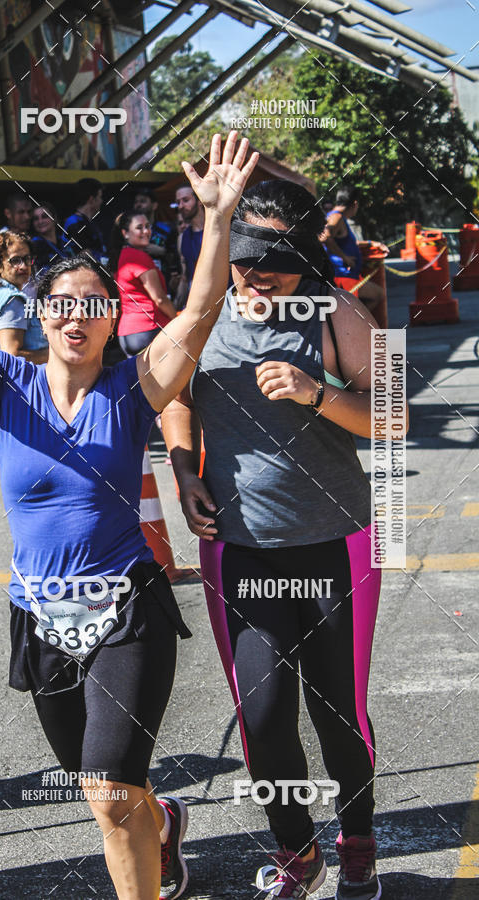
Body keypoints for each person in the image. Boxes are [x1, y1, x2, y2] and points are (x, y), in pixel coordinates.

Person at [0, 131, 259, 900]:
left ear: (113, 315)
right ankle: (164, 826)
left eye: (93, 303)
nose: (76, 316)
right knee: (102, 792)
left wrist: (216, 219)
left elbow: (201, 309)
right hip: (38, 616)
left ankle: (144, 842)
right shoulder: (0, 380)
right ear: (39, 312)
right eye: (61, 304)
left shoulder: (134, 386)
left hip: (127, 609)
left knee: (109, 794)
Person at [163, 177, 408, 900]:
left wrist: (319, 393)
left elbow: (391, 417)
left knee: (338, 710)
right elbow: (172, 399)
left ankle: (357, 843)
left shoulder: (337, 313)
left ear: (306, 255)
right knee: (264, 714)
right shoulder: (203, 317)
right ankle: (298, 853)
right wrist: (183, 471)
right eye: (242, 257)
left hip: (338, 543)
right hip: (239, 547)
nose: (254, 274)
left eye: (272, 260)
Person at [110, 210, 177, 357]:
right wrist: (177, 321)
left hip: (127, 333)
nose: (146, 231)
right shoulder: (138, 257)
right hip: (149, 329)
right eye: (139, 227)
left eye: (148, 226)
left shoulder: (122, 256)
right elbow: (160, 298)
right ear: (125, 233)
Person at [0, 230, 48, 362]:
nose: (23, 266)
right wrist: (55, 356)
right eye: (15, 261)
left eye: (27, 259)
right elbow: (12, 356)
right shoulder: (13, 300)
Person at [323, 185, 384, 315]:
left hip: (347, 275)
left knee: (369, 299)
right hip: (343, 275)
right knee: (377, 295)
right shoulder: (337, 217)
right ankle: (353, 327)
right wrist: (345, 258)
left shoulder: (336, 217)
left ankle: (353, 325)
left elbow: (346, 242)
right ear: (355, 204)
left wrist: (370, 243)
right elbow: (326, 237)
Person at [0, 192, 34, 276]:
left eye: (29, 212)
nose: (27, 217)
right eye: (21, 212)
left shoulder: (30, 237)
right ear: (8, 213)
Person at [133, 188, 180, 285]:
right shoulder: (129, 232)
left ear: (154, 205)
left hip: (162, 283)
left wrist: (162, 252)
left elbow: (177, 257)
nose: (138, 205)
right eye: (136, 202)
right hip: (137, 282)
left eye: (143, 201)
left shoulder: (166, 230)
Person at [63, 177, 107, 261]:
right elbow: (83, 256)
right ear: (91, 199)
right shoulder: (74, 222)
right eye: (100, 197)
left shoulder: (89, 222)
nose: (101, 201)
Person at [175, 184, 205, 306]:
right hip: (198, 304)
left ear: (199, 201)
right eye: (178, 202)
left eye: (186, 200)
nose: (181, 206)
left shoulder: (217, 231)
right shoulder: (182, 237)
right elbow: (185, 277)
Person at [31, 202, 74, 276]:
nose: (40, 221)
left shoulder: (64, 241)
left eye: (44, 216)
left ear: (54, 218)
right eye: (36, 219)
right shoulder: (34, 245)